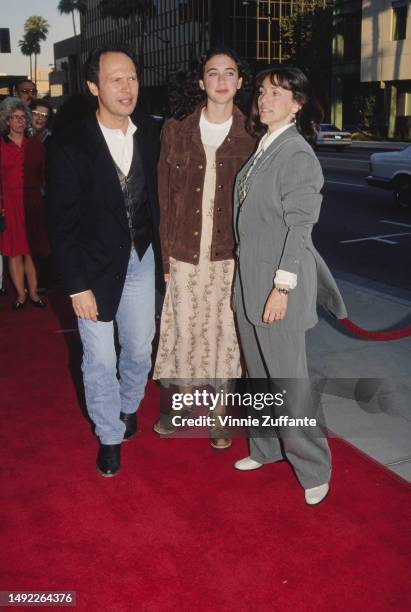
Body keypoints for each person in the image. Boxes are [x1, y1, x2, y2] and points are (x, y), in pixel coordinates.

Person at [232, 66, 347, 505]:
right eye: (262, 91)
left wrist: (280, 289)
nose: (264, 99)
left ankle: (314, 466)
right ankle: (265, 447)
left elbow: (300, 230)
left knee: (287, 383)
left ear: (297, 103)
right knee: (260, 379)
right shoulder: (265, 148)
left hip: (278, 289)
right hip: (250, 287)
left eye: (277, 93)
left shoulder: (296, 155)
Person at [47, 44, 162, 477]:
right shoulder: (70, 142)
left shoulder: (151, 132)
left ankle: (129, 405)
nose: (127, 86)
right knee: (98, 359)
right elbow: (62, 223)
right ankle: (109, 435)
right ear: (94, 85)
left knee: (137, 348)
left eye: (131, 77)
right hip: (92, 269)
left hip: (142, 257)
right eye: (116, 78)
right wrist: (76, 286)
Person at [153, 48, 256, 449]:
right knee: (180, 329)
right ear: (201, 82)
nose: (221, 81)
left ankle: (218, 418)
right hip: (182, 252)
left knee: (225, 335)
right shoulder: (176, 129)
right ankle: (175, 409)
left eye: (230, 73)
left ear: (240, 82)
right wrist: (164, 258)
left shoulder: (252, 133)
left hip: (229, 255)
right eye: (213, 73)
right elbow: (164, 197)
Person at [0, 97, 49, 310]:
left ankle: (34, 293)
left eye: (23, 117)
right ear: (7, 121)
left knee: (30, 250)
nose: (20, 121)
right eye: (15, 118)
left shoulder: (36, 146)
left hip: (32, 202)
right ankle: (20, 295)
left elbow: (45, 176)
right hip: (8, 203)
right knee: (13, 252)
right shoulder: (1, 146)